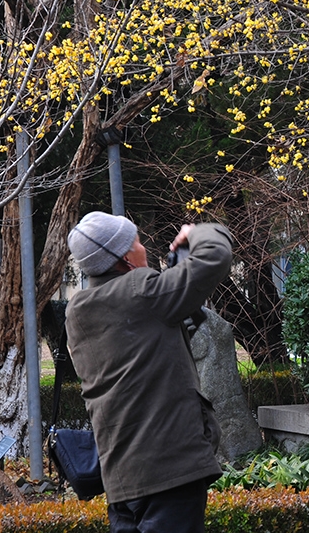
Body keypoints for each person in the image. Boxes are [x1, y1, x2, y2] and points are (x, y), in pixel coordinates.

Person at [65, 211, 233, 533]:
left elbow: (148, 333)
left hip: (122, 478)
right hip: (168, 472)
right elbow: (216, 255)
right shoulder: (141, 291)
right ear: (126, 255)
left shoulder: (78, 311)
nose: (144, 248)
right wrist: (195, 233)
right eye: (138, 242)